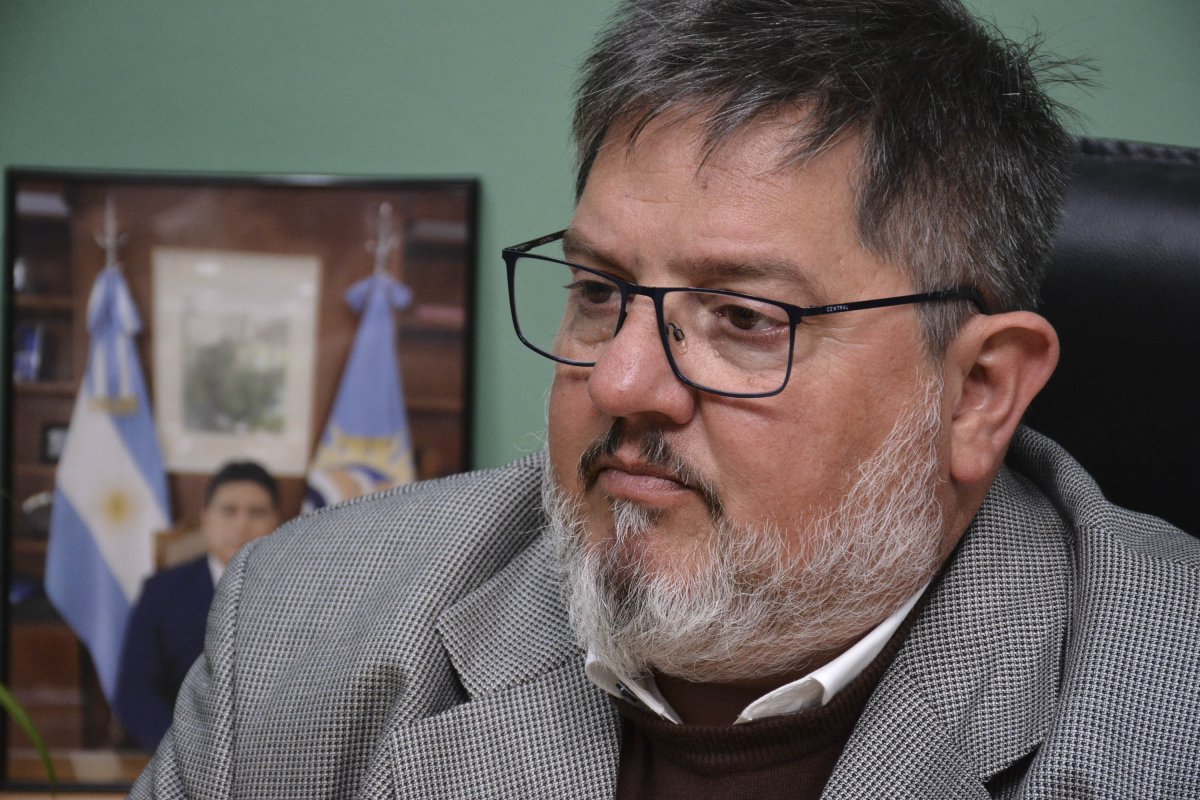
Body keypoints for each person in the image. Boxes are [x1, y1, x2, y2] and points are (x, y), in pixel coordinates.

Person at [133, 1, 1200, 797]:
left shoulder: (1169, 703)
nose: (622, 380)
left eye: (742, 317)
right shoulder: (299, 632)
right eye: (599, 293)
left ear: (977, 392)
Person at [115, 461, 279, 752]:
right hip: (181, 752)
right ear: (205, 517)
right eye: (228, 511)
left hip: (274, 756)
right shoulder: (161, 592)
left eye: (257, 513)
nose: (241, 525)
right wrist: (186, 751)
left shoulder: (306, 593)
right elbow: (136, 693)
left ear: (277, 522)